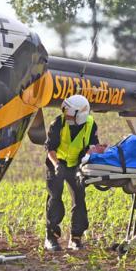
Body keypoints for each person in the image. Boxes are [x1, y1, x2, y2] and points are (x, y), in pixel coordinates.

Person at [43, 94, 99, 251]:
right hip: (57, 164)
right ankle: (51, 237)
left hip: (76, 166)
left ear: (80, 115)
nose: (65, 115)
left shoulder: (90, 124)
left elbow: (92, 146)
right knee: (55, 198)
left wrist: (86, 161)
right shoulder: (58, 123)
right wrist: (56, 165)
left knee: (79, 201)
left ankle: (76, 238)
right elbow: (50, 148)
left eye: (68, 112)